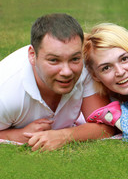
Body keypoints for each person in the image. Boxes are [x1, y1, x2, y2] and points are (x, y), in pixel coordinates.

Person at [0, 13, 115, 151]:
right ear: (32, 55)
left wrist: (63, 136)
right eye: (54, 60)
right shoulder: (6, 92)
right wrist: (17, 135)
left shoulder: (85, 65)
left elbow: (106, 125)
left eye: (74, 59)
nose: (67, 72)